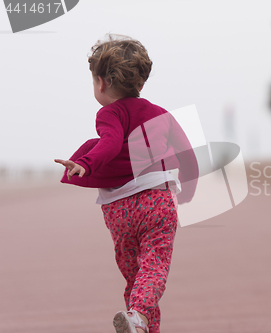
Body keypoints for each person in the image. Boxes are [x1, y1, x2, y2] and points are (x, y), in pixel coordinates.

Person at [55, 34, 198, 333]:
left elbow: (110, 143)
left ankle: (141, 324)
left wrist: (86, 163)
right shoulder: (162, 115)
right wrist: (187, 193)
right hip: (156, 203)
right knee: (153, 266)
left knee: (135, 276)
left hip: (119, 210)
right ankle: (139, 319)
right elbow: (188, 157)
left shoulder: (109, 113)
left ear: (101, 82)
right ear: (141, 83)